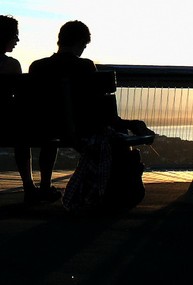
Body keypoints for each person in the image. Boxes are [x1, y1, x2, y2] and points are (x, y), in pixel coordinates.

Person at [32, 20, 151, 213]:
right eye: (84, 46)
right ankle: (113, 189)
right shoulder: (85, 66)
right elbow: (98, 107)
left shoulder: (37, 67)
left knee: (53, 136)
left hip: (45, 127)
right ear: (80, 41)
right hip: (81, 128)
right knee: (116, 132)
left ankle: (45, 186)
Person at [0, 15, 57, 205]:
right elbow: (23, 98)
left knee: (20, 129)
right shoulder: (10, 64)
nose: (17, 40)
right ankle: (44, 187)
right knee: (49, 133)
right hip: (4, 130)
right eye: (15, 35)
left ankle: (30, 187)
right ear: (5, 36)